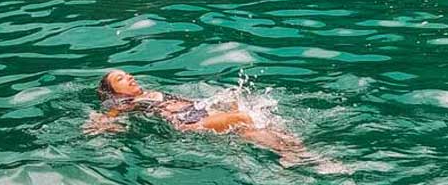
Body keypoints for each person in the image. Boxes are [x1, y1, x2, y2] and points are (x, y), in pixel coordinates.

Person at [85, 69, 325, 169]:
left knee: (251, 118)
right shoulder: (125, 103)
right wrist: (101, 123)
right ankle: (291, 154)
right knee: (245, 116)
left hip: (200, 113)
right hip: (188, 124)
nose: (129, 77)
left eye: (127, 74)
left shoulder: (148, 93)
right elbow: (108, 115)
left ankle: (301, 154)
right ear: (113, 91)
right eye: (121, 79)